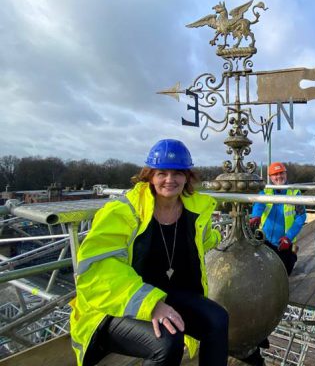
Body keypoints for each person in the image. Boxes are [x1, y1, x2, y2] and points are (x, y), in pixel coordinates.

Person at [70, 139, 229, 366]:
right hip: (113, 305)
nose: (169, 180)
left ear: (187, 177)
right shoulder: (123, 212)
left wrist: (222, 238)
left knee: (217, 319)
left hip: (162, 294)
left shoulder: (194, 210)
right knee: (167, 341)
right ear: (149, 176)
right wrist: (150, 304)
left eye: (177, 173)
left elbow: (201, 240)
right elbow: (98, 269)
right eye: (161, 173)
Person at [249, 162, 306, 275]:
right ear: (270, 177)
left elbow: (301, 216)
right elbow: (259, 204)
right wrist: (256, 216)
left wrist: (288, 237)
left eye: (281, 173)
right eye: (275, 174)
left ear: (286, 174)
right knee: (263, 271)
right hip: (266, 239)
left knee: (284, 273)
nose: (279, 176)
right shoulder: (265, 191)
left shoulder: (295, 193)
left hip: (284, 241)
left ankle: (293, 254)